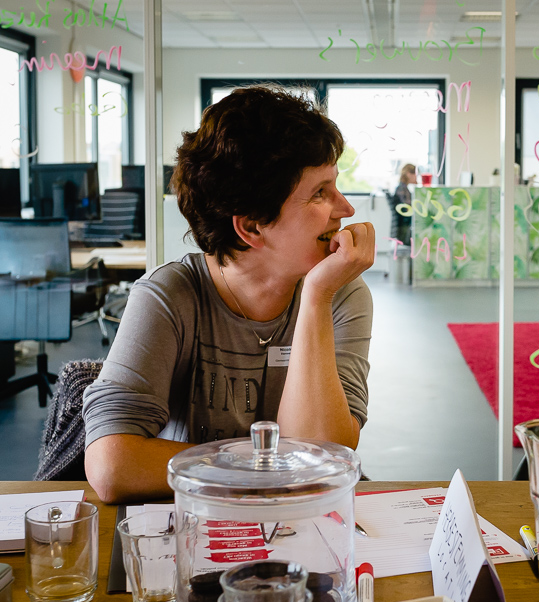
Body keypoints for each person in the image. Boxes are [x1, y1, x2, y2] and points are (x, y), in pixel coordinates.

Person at [82, 86, 375, 503]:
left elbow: (324, 454)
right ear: (252, 227)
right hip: (195, 526)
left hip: (302, 527)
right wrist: (268, 469)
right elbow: (113, 466)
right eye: (320, 193)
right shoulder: (170, 296)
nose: (345, 208)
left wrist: (315, 298)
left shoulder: (339, 294)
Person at [389, 163, 416, 247]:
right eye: (415, 174)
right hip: (404, 230)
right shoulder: (402, 189)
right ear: (408, 174)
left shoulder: (403, 188)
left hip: (403, 227)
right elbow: (409, 208)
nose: (416, 177)